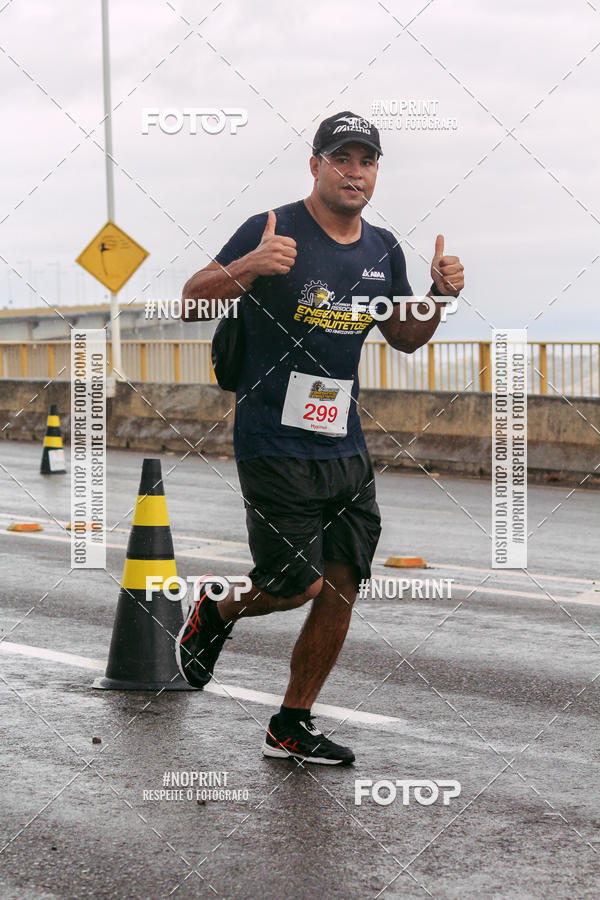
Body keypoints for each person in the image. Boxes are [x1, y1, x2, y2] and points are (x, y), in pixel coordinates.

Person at [176, 110, 464, 765]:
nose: (355, 171)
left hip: (343, 442)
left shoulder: (382, 248)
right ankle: (216, 609)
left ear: (376, 171)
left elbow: (404, 336)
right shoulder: (271, 226)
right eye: (342, 159)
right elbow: (192, 301)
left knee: (341, 583)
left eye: (367, 160)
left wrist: (439, 296)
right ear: (316, 166)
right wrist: (251, 265)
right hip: (272, 439)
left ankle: (291, 723)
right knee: (294, 582)